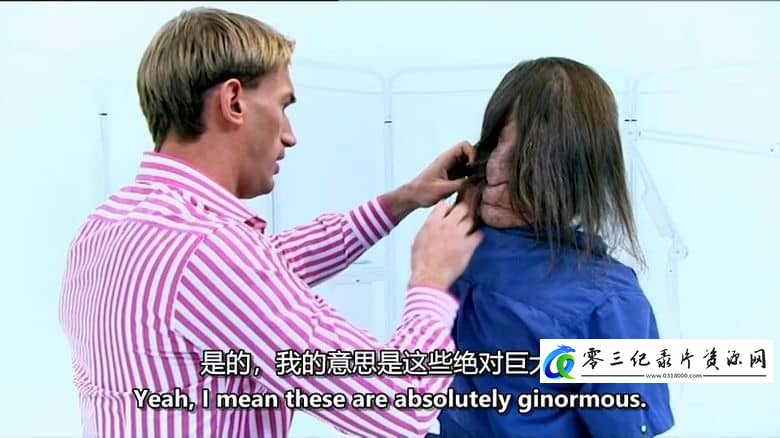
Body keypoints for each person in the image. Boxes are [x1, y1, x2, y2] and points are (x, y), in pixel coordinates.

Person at [58, 7, 483, 438]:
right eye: (282, 105)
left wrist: (402, 200)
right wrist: (432, 280)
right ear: (233, 102)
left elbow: (271, 262)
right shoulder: (210, 252)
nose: (289, 135)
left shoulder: (106, 228)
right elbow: (400, 402)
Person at [436, 57, 675, 437]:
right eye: (496, 145)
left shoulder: (451, 254)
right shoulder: (605, 302)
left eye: (507, 149)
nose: (495, 166)